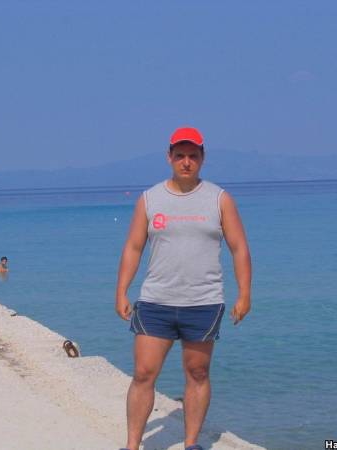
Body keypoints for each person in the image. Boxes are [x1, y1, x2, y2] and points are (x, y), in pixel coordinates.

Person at [115, 127, 252, 450]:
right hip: (155, 303)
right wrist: (122, 290)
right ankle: (132, 445)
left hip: (203, 303)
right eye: (180, 155)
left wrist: (244, 294)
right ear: (169, 157)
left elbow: (239, 248)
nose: (186, 162)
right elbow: (133, 247)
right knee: (144, 373)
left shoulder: (219, 199)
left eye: (193, 156)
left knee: (198, 373)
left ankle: (191, 444)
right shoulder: (150, 199)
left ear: (202, 158)